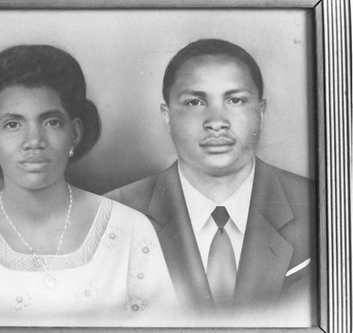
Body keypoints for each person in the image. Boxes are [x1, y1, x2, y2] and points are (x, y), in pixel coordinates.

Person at [0, 45, 179, 327]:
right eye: (13, 124)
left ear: (74, 133)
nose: (34, 141)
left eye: (51, 121)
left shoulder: (129, 230)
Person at [107, 39, 316, 326]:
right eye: (195, 102)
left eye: (235, 100)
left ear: (261, 111)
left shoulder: (323, 208)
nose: (216, 121)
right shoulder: (113, 215)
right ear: (167, 116)